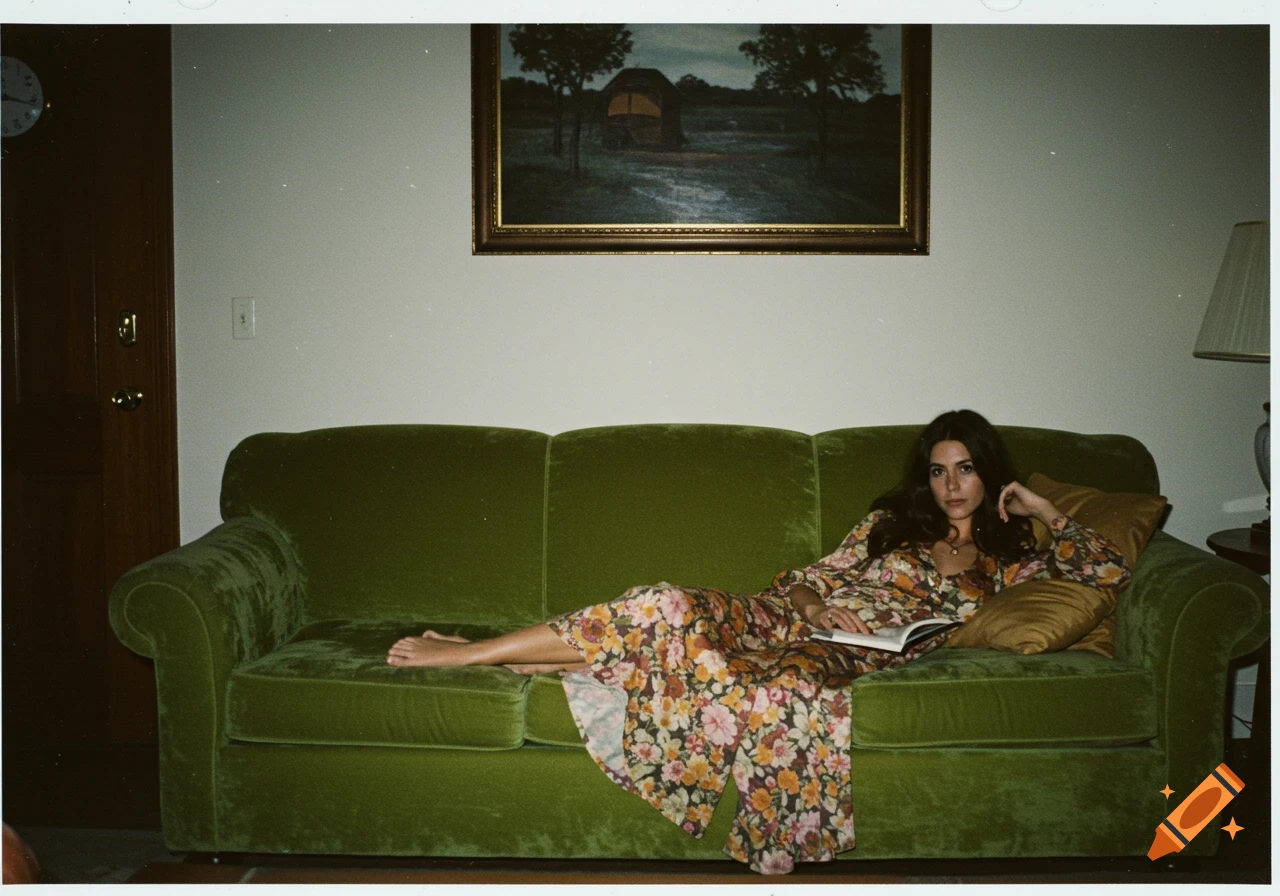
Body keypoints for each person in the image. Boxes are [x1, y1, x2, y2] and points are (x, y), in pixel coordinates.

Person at [386, 410, 1131, 873]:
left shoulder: (1011, 559)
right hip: (791, 616)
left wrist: (1040, 507)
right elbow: (811, 575)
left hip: (859, 649)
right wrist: (806, 603)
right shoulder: (889, 527)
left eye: (966, 468)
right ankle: (470, 651)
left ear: (989, 473)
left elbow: (1105, 569)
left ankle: (775, 836)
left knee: (788, 687)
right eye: (937, 472)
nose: (951, 485)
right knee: (664, 604)